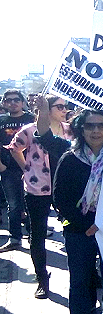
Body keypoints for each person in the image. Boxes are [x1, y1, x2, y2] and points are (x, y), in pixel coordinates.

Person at [53, 108, 103, 314]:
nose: (96, 131)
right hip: (79, 228)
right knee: (81, 281)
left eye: (101, 125)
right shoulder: (69, 159)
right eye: (90, 126)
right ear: (81, 130)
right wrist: (86, 225)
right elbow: (60, 199)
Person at [6, 95, 71, 298]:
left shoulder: (71, 130)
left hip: (65, 188)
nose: (64, 110)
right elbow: (14, 148)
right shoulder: (29, 131)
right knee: (38, 233)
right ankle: (42, 278)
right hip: (37, 189)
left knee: (74, 230)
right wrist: (26, 168)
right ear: (47, 109)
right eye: (59, 106)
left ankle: (86, 275)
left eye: (65, 107)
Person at [0, 90, 36, 252]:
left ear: (22, 102)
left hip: (33, 169)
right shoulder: (1, 121)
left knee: (32, 203)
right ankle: (15, 238)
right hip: (9, 170)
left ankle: (34, 235)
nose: (12, 103)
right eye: (9, 100)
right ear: (4, 103)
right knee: (13, 205)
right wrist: (2, 167)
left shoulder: (31, 119)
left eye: (16, 100)